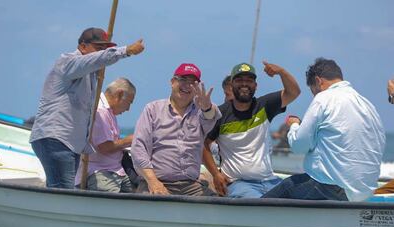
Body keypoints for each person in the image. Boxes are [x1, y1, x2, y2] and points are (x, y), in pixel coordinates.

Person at [30, 27, 144, 189]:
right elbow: (96, 60)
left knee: (61, 189)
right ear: (83, 47)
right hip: (56, 139)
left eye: (104, 50)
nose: (101, 54)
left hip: (72, 144)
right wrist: (127, 51)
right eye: (98, 49)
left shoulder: (91, 75)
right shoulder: (68, 62)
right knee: (62, 191)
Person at [262, 58, 386, 201]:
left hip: (332, 189)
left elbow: (298, 146)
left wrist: (295, 125)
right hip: (364, 192)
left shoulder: (324, 98)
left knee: (287, 186)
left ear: (318, 81)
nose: (314, 95)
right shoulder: (368, 105)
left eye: (313, 91)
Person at [203, 62, 301, 197]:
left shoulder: (264, 106)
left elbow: (293, 92)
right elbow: (204, 144)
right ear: (231, 85)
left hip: (271, 181)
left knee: (307, 187)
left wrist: (281, 71)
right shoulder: (220, 114)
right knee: (260, 205)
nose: (244, 84)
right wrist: (215, 174)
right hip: (239, 184)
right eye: (239, 80)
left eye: (249, 80)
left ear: (255, 86)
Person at [131, 63, 221, 196]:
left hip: (191, 185)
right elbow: (138, 150)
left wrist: (206, 107)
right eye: (183, 80)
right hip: (157, 181)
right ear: (173, 82)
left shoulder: (201, 110)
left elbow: (211, 116)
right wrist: (153, 182)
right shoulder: (152, 109)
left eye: (192, 83)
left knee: (215, 209)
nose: (187, 86)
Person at [75, 78, 136, 192]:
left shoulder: (109, 112)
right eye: (129, 102)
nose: (128, 109)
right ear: (119, 94)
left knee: (139, 193)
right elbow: (105, 147)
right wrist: (130, 139)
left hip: (116, 170)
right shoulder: (100, 111)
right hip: (101, 171)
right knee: (113, 206)